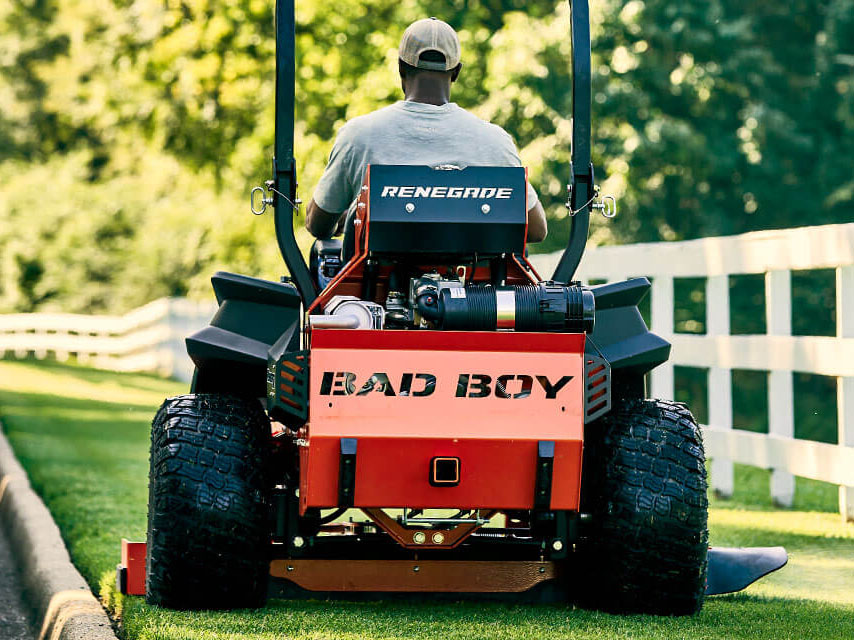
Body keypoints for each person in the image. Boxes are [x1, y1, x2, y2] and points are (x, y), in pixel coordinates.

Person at [305, 17, 547, 243]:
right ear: (456, 72)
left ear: (401, 68)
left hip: (379, 276)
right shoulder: (495, 142)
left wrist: (353, 218)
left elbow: (317, 225)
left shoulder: (358, 135)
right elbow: (536, 229)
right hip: (472, 276)